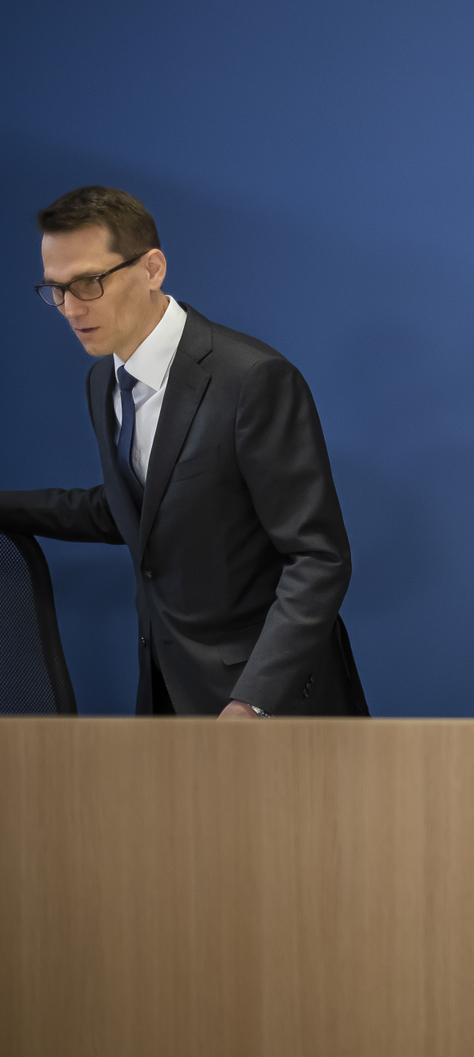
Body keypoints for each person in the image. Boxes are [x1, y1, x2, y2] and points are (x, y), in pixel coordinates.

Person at [1, 187, 366, 717]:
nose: (71, 309)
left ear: (152, 269)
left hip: (269, 704)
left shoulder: (253, 380)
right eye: (55, 289)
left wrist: (254, 701)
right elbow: (133, 511)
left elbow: (319, 559)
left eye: (88, 283)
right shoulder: (102, 382)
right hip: (166, 693)